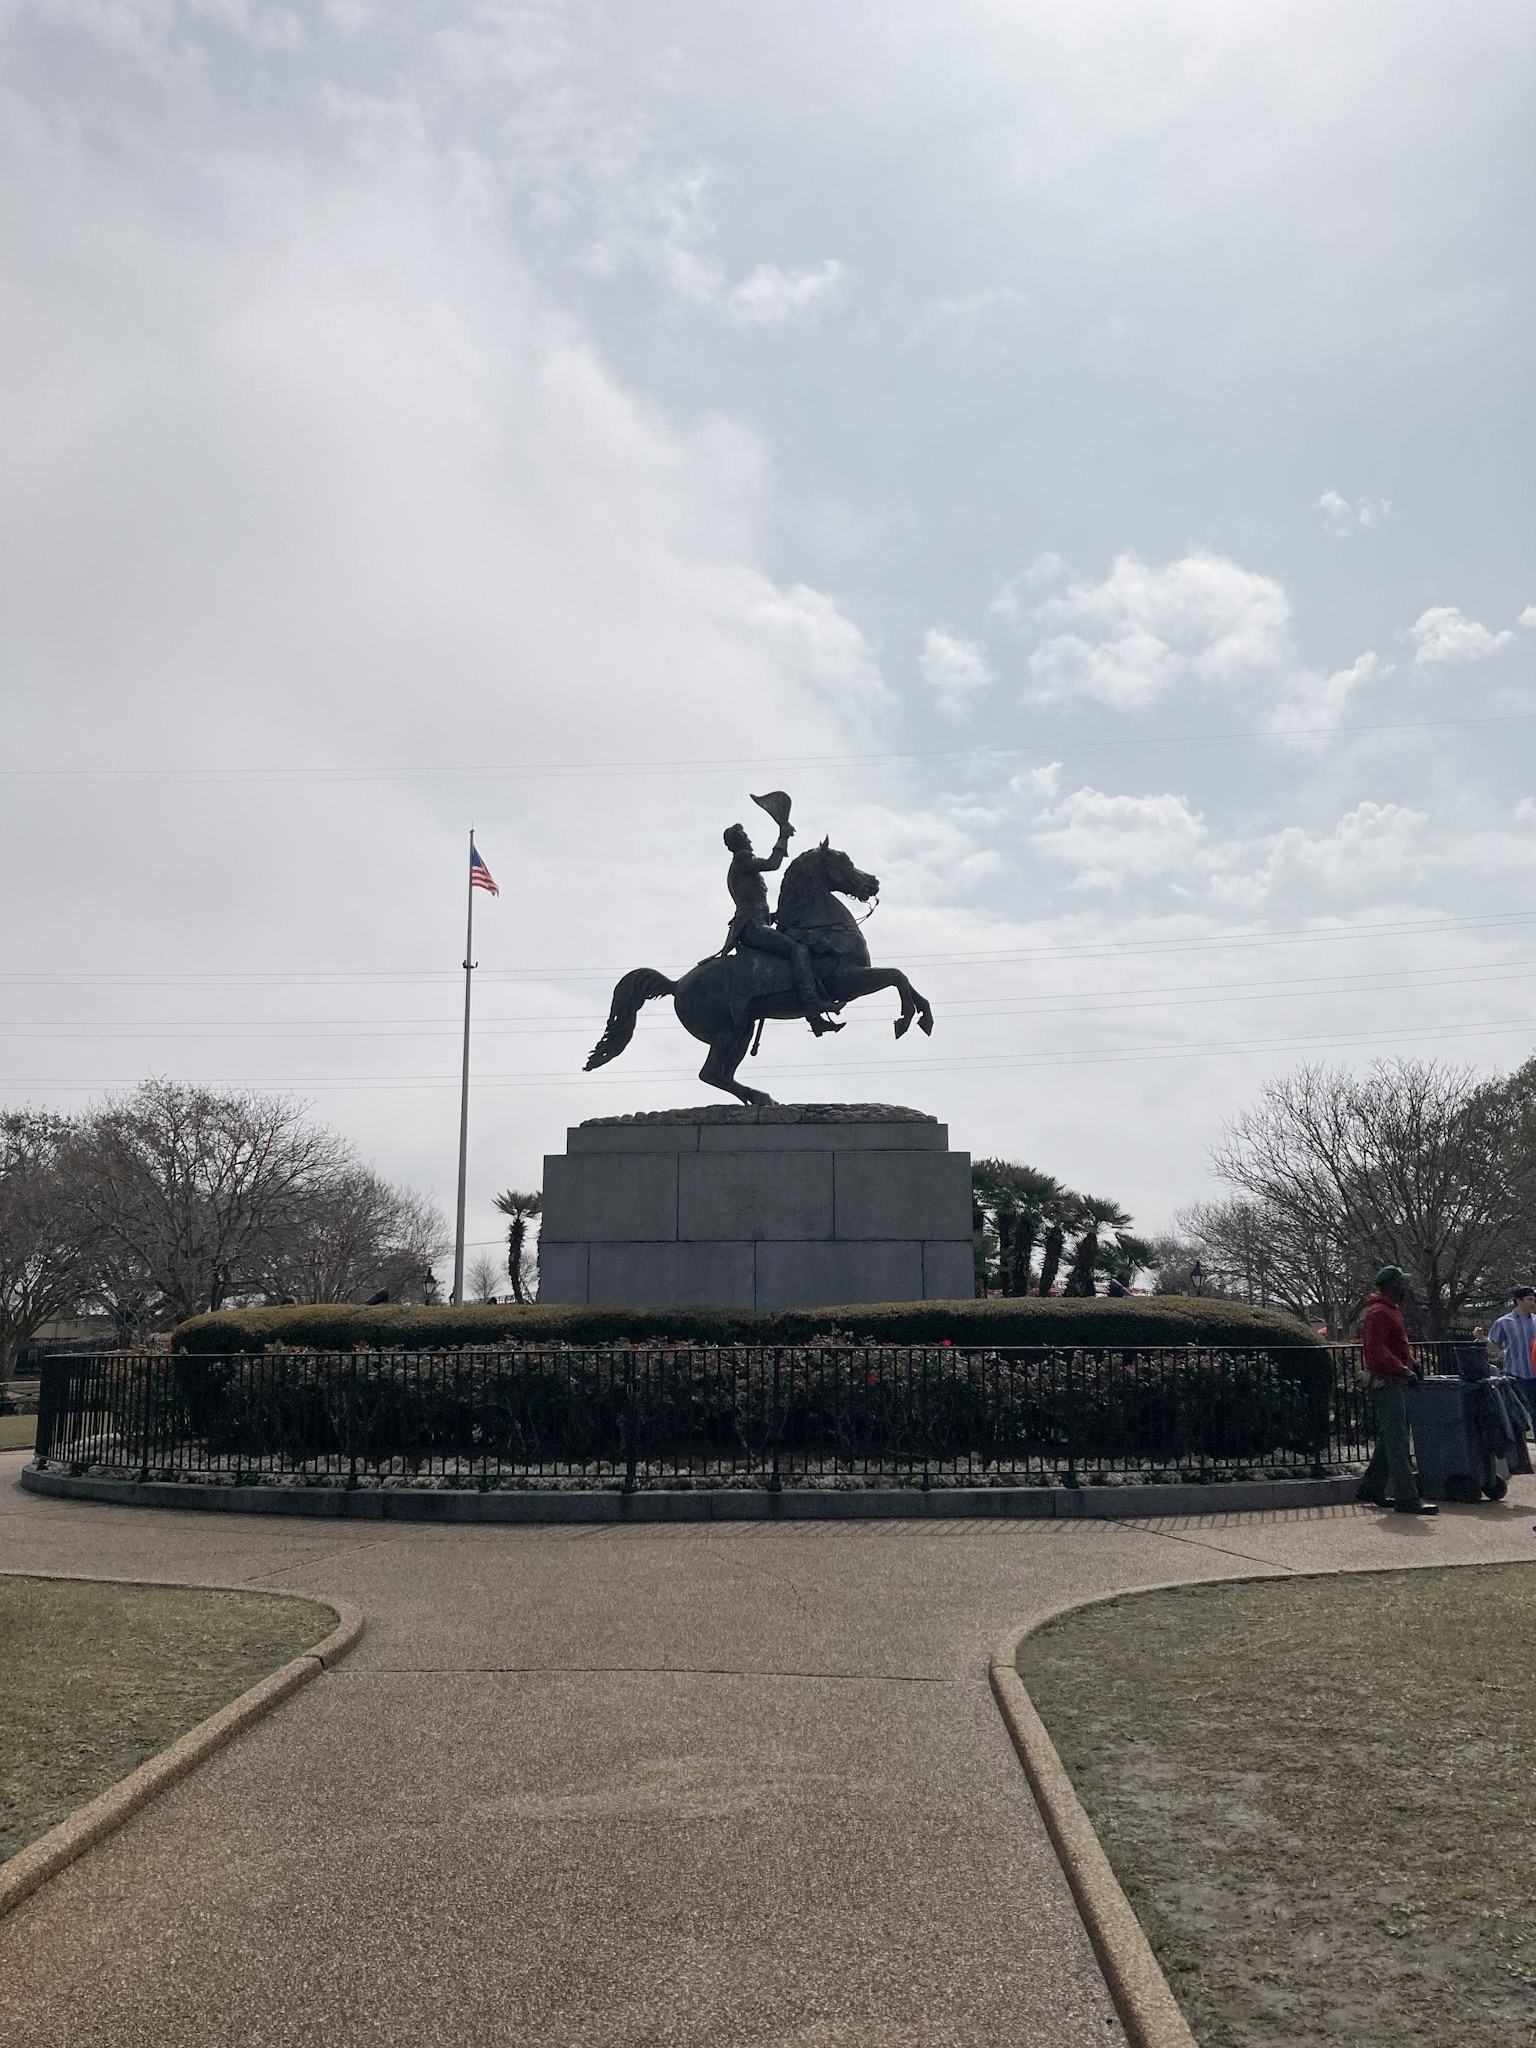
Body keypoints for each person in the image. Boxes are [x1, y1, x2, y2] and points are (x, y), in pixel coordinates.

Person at [717, 811, 842, 1036]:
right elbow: (773, 864)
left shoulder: (739, 865)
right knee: (797, 949)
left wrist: (775, 916)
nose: (750, 840)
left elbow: (753, 903)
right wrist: (782, 836)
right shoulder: (743, 860)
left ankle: (816, 1020)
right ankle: (813, 1006)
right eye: (746, 836)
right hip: (751, 928)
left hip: (756, 923)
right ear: (740, 842)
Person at [1355, 1266, 1438, 1515]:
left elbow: (1391, 1346)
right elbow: (1377, 1350)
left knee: (1391, 1438)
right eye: (1401, 1284)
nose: (1404, 1289)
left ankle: (1371, 1488)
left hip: (1392, 1380)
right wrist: (1403, 1369)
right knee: (1398, 1442)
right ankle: (1407, 1499)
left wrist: (1411, 1365)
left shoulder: (1388, 1310)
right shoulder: (1380, 1312)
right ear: (1392, 1287)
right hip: (1387, 1383)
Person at [1487, 1287, 1536, 1439]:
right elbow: (1493, 1347)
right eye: (1529, 1299)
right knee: (1518, 1416)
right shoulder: (1503, 1322)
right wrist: (1482, 1338)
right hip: (1516, 1376)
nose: (1533, 1303)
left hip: (1535, 1375)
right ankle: (1520, 1456)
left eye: (1533, 1299)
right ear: (1519, 1300)